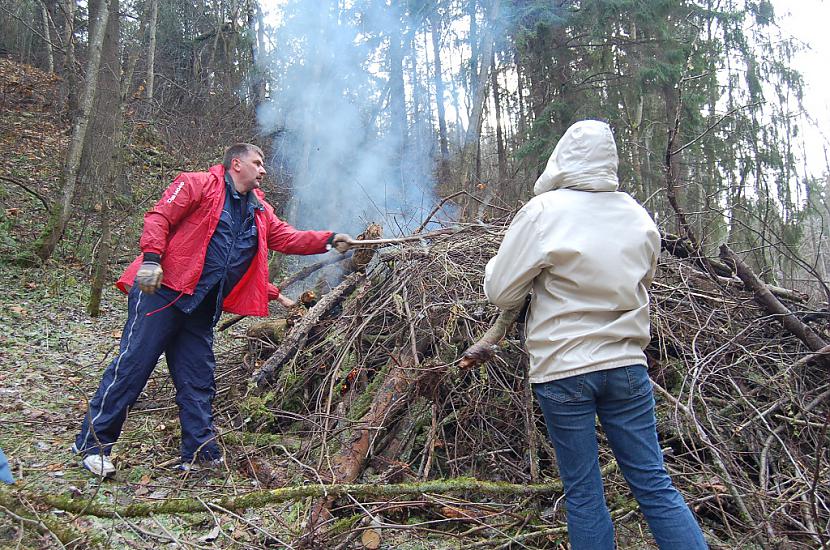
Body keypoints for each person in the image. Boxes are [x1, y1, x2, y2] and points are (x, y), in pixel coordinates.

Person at [475, 120, 707, 549]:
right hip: (626, 366)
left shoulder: (544, 212)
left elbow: (500, 291)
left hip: (563, 368)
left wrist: (505, 268)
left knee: (584, 494)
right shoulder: (637, 215)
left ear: (561, 157)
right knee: (655, 486)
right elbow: (644, 281)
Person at [73, 143, 353, 477]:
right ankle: (92, 444)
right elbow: (159, 216)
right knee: (133, 366)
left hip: (203, 307)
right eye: (257, 163)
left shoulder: (259, 211)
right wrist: (151, 260)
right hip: (163, 294)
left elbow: (289, 238)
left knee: (198, 379)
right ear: (236, 164)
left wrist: (330, 238)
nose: (263, 169)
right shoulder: (196, 184)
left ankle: (200, 456)